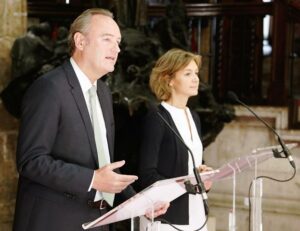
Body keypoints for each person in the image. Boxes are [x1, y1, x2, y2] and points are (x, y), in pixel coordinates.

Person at [13, 8, 168, 231]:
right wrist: (92, 179)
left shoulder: (103, 93)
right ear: (80, 41)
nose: (116, 48)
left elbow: (104, 165)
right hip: (53, 221)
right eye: (107, 39)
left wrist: (140, 202)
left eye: (118, 42)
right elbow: (31, 161)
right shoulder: (49, 88)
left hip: (96, 220)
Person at [138, 48, 213, 230]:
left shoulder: (193, 116)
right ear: (168, 79)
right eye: (188, 74)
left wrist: (203, 174)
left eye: (196, 73)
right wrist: (187, 184)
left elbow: (193, 162)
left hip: (197, 211)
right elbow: (147, 174)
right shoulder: (157, 117)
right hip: (167, 215)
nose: (196, 79)